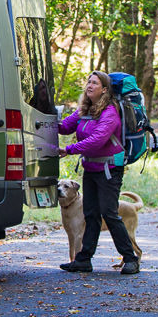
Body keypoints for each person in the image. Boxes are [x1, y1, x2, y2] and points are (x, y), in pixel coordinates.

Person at [57, 70, 140, 274]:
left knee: (109, 213)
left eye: (95, 83)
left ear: (104, 89)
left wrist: (69, 150)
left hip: (109, 169)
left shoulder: (110, 112)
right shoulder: (84, 110)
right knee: (91, 214)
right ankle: (84, 260)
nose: (90, 85)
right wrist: (43, 119)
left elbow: (97, 140)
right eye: (89, 82)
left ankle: (131, 259)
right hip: (91, 168)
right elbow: (64, 127)